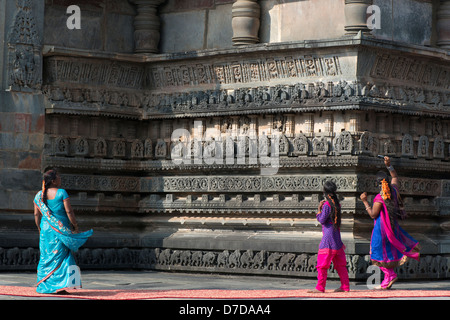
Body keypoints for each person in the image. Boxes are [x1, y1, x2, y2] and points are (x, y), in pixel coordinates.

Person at [360, 156, 420, 290]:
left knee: (376, 253)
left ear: (378, 184)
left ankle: (390, 275)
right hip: (392, 228)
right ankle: (388, 278)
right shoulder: (394, 190)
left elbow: (373, 214)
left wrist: (364, 201)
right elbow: (395, 177)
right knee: (385, 253)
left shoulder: (379, 197)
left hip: (381, 229)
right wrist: (389, 165)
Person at [33, 169, 93, 294]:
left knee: (46, 256)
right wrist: (75, 225)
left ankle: (45, 285)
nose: (61, 179)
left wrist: (39, 228)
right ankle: (60, 285)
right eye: (59, 177)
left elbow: (36, 214)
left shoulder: (39, 195)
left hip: (45, 230)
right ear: (53, 181)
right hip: (60, 229)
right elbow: (69, 212)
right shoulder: (61, 193)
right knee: (63, 256)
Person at [309, 181, 350, 293]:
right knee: (340, 264)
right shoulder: (337, 204)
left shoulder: (327, 205)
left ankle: (320, 287)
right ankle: (345, 286)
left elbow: (321, 219)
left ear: (325, 192)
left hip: (328, 238)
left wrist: (318, 210)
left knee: (322, 265)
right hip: (337, 237)